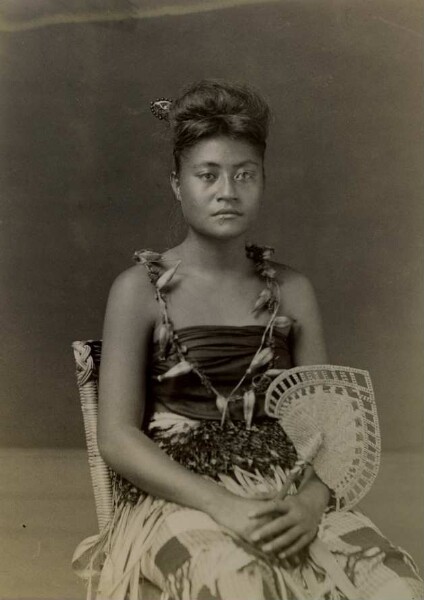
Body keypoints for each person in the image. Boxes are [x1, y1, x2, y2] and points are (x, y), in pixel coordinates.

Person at [72, 80, 423, 600]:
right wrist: (222, 504)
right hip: (179, 494)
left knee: (394, 584)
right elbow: (118, 437)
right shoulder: (137, 292)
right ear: (176, 183)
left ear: (263, 180)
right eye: (207, 175)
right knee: (242, 581)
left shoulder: (293, 291)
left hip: (286, 490)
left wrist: (309, 504)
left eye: (244, 175)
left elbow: (327, 431)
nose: (227, 191)